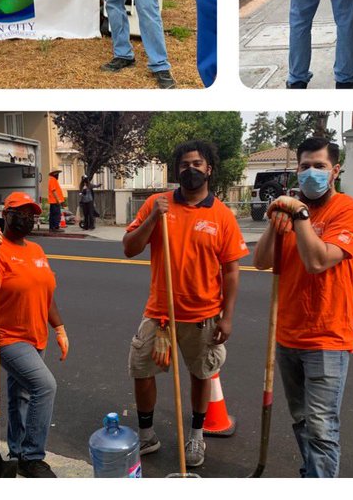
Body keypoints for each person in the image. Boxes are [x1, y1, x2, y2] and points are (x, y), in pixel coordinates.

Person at [123, 141, 248, 470]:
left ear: (209, 169)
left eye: (197, 164)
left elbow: (232, 270)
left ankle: (196, 434)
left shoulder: (221, 215)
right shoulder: (156, 203)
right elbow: (129, 248)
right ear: (175, 170)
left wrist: (228, 317)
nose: (190, 169)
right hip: (159, 313)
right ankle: (147, 434)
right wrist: (152, 218)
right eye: (183, 164)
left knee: (201, 374)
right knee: (141, 370)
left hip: (203, 315)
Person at [253, 137, 353, 478]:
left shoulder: (350, 212)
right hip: (287, 336)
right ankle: (312, 475)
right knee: (303, 421)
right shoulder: (291, 213)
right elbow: (261, 262)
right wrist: (275, 223)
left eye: (319, 166)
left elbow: (318, 261)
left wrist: (300, 215)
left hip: (326, 339)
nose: (311, 173)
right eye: (305, 166)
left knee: (321, 430)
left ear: (335, 171)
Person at [0, 192, 69, 478]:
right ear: (6, 215)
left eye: (32, 213)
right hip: (7, 337)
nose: (27, 217)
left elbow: (46, 292)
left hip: (36, 335)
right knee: (44, 385)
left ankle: (15, 451)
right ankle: (31, 457)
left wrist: (59, 328)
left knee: (21, 394)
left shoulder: (36, 250)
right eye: (20, 212)